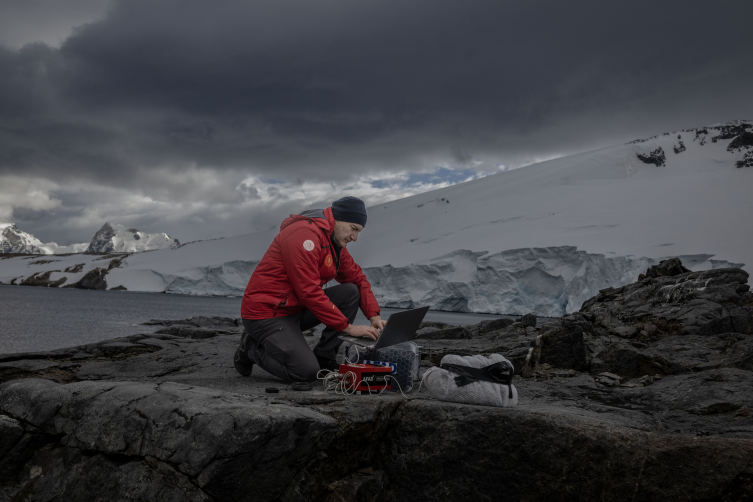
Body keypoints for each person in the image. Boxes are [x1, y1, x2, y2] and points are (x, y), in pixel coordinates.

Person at [234, 196, 386, 383]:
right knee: (305, 372)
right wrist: (348, 328)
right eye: (353, 229)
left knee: (350, 291)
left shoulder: (333, 243)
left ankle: (324, 357)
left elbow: (358, 279)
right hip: (266, 313)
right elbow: (309, 291)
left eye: (358, 232)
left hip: (295, 310)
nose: (355, 238)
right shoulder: (303, 235)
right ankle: (250, 348)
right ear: (337, 219)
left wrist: (374, 316)